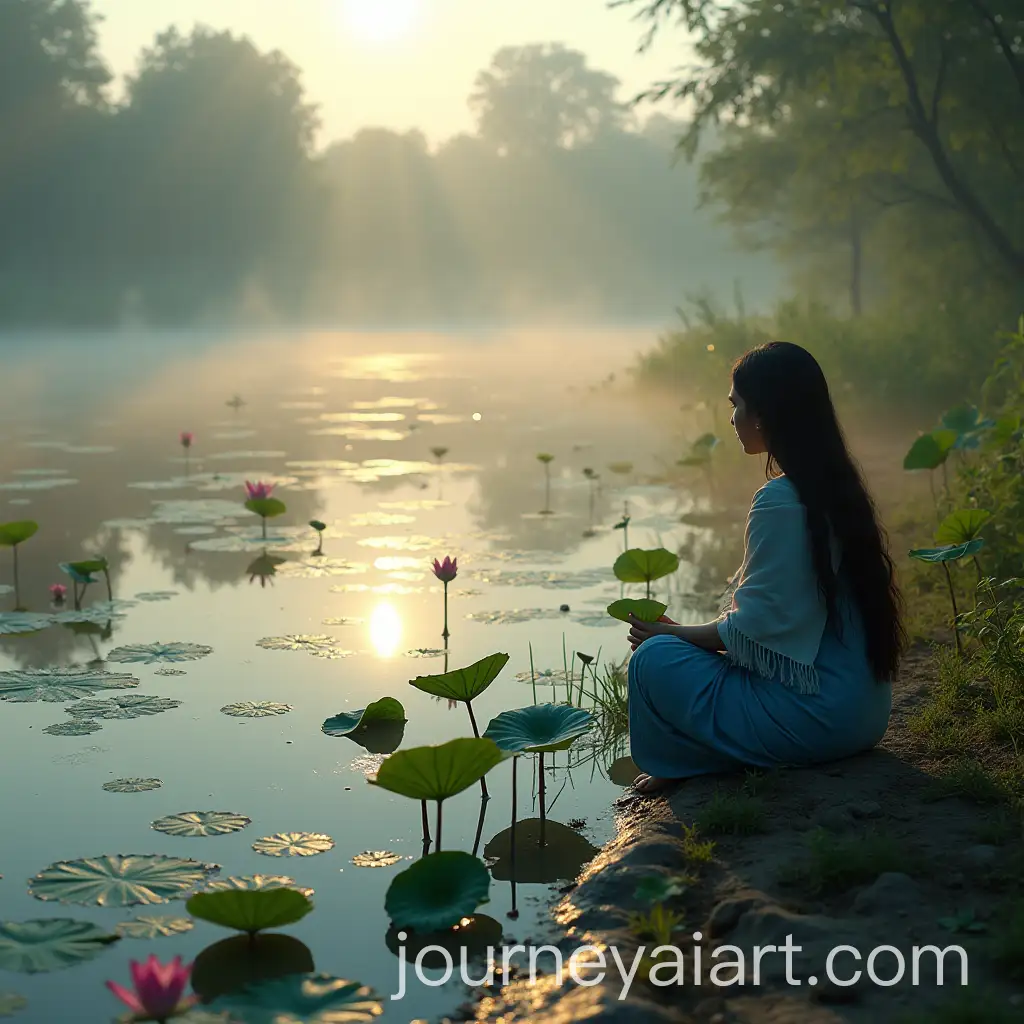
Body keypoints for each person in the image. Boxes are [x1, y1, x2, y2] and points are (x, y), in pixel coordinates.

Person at [626, 342, 906, 794]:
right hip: (864, 715)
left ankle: (682, 762)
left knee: (653, 660)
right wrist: (695, 636)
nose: (733, 419)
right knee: (679, 649)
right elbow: (775, 625)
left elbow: (758, 627)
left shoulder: (781, 501)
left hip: (820, 717)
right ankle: (718, 754)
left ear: (765, 414)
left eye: (736, 406)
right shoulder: (835, 488)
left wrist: (672, 637)